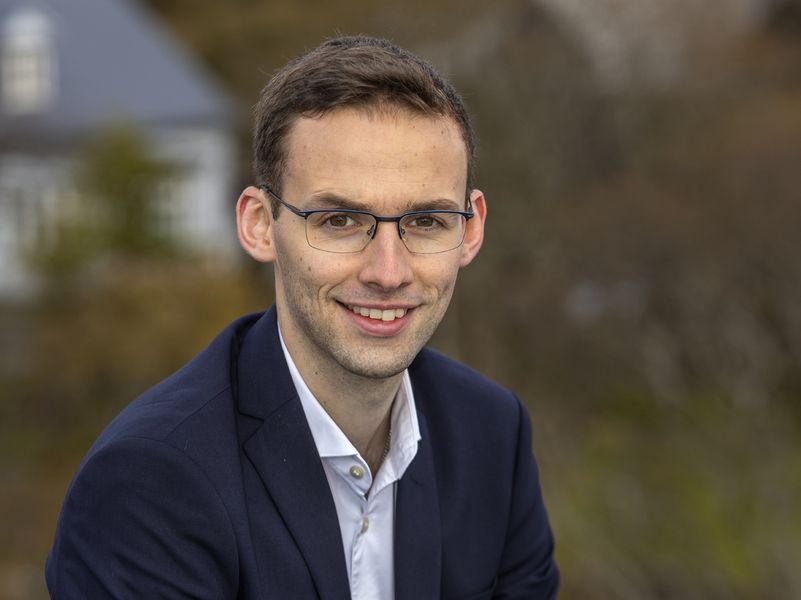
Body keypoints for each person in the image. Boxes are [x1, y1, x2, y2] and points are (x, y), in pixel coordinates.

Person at [46, 36, 559, 599]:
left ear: (472, 229)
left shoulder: (491, 432)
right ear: (259, 224)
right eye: (340, 220)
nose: (388, 272)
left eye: (425, 221)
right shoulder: (150, 481)